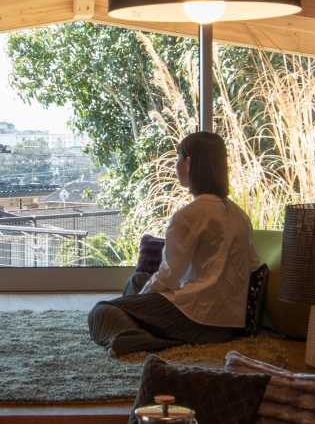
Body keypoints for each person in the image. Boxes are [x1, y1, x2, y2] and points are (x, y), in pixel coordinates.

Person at [89, 131, 257, 357]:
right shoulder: (239, 215)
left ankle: (144, 339)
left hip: (196, 317)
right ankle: (137, 331)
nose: (176, 164)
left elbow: (169, 276)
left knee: (101, 312)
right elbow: (251, 266)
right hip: (229, 324)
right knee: (137, 280)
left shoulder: (189, 215)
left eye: (178, 157)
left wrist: (138, 301)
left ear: (189, 163)